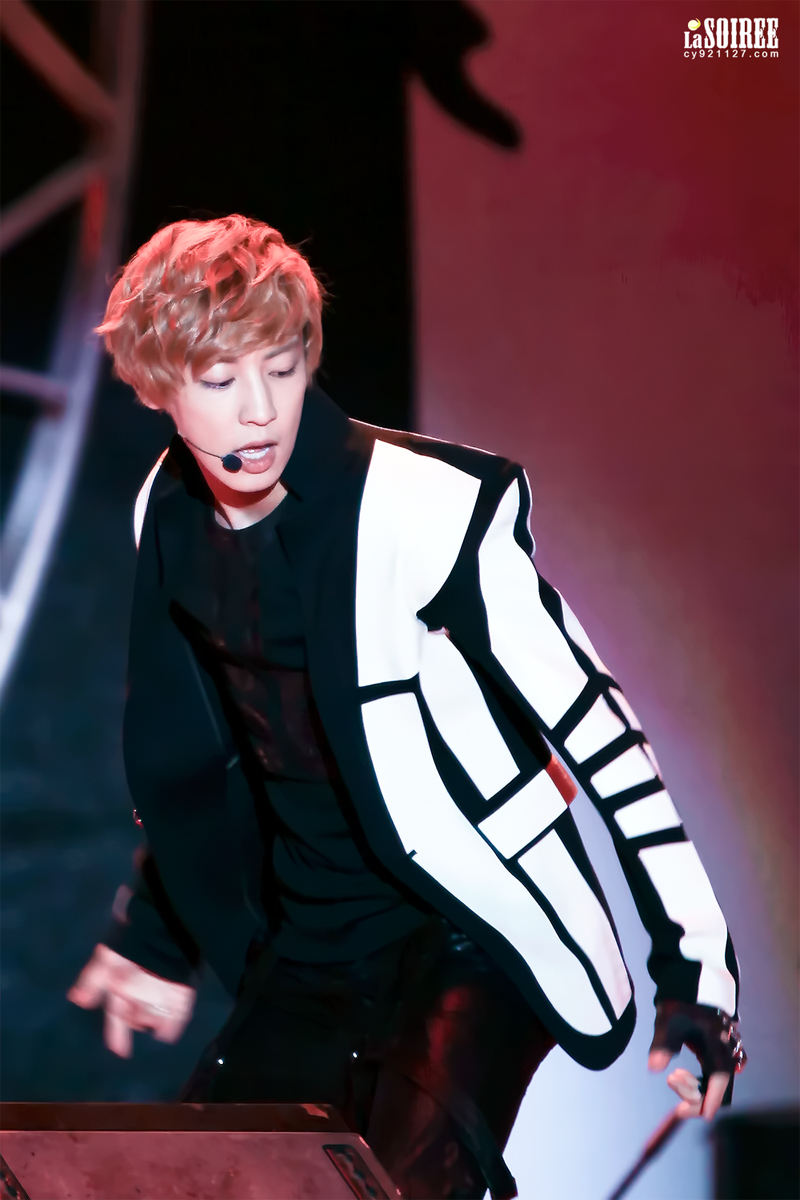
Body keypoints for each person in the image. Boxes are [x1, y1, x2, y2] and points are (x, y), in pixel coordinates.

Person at [68, 215, 746, 1199]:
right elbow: (211, 765)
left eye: (281, 368)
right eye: (218, 381)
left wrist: (697, 975)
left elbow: (599, 735)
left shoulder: (430, 507)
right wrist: (153, 934)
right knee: (203, 1182)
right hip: (311, 944)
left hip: (468, 930)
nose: (259, 410)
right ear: (158, 388)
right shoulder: (166, 516)